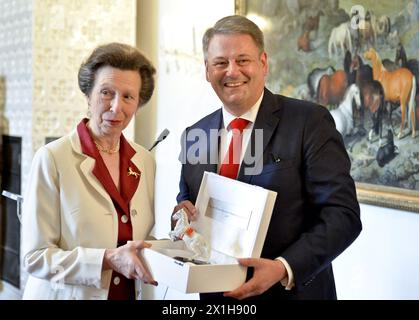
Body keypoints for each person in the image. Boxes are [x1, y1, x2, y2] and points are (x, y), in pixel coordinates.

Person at [173, 15, 362, 300]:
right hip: (216, 298)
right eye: (221, 62)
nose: (232, 71)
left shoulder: (309, 122)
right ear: (207, 70)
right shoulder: (194, 134)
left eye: (243, 60)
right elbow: (186, 203)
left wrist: (283, 268)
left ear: (263, 63)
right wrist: (180, 218)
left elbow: (343, 215)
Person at [21, 43, 157, 300]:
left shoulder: (145, 161)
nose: (116, 107)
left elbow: (136, 235)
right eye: (106, 92)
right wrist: (107, 259)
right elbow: (35, 257)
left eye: (128, 96)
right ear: (88, 94)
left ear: (138, 103)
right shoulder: (52, 158)